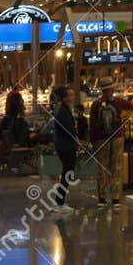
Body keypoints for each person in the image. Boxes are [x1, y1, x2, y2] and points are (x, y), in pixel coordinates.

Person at [88, 76, 126, 207]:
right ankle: (116, 198)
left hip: (101, 139)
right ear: (111, 88)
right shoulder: (118, 102)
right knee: (117, 166)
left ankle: (102, 198)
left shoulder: (96, 104)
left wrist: (93, 141)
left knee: (102, 167)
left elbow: (92, 125)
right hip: (117, 138)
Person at [48, 85, 82, 216]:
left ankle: (59, 201)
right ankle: (59, 202)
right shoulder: (63, 111)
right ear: (65, 97)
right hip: (66, 146)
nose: (73, 97)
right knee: (67, 174)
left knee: (66, 173)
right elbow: (69, 129)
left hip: (64, 145)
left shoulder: (63, 109)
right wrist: (76, 139)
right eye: (71, 95)